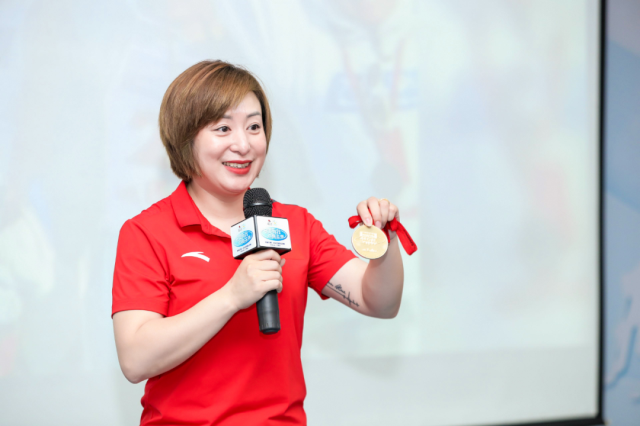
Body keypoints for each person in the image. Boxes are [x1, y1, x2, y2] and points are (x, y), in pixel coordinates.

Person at [112, 60, 404, 426]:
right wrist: (232, 297)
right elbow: (135, 359)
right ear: (186, 138)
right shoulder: (146, 232)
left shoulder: (296, 224)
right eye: (223, 128)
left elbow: (380, 302)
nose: (244, 144)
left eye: (254, 126)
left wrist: (385, 241)